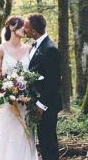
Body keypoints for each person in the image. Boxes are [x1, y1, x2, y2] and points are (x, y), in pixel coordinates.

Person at [0, 16, 38, 160]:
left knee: (25, 134)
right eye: (23, 26)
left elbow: (33, 75)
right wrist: (7, 91)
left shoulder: (30, 49)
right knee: (8, 134)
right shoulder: (0, 50)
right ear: (12, 27)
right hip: (7, 102)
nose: (26, 29)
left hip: (26, 100)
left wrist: (26, 93)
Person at [24, 13, 61, 160]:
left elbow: (54, 82)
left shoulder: (50, 49)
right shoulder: (35, 46)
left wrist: (40, 105)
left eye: (26, 27)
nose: (24, 30)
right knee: (44, 141)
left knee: (49, 143)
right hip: (37, 102)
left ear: (33, 31)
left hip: (47, 105)